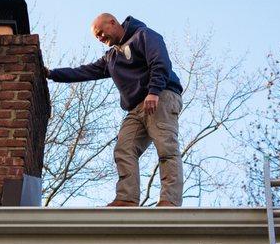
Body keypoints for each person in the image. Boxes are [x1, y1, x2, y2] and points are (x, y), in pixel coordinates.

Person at [46, 13, 184, 207]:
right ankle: (127, 198)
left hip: (161, 95)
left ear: (113, 22)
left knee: (166, 148)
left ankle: (170, 200)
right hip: (136, 108)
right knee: (124, 148)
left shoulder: (143, 35)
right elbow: (84, 71)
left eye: (101, 32)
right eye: (97, 37)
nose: (101, 38)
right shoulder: (111, 57)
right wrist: (52, 74)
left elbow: (160, 62)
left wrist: (154, 91)